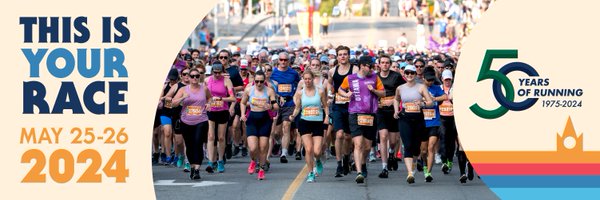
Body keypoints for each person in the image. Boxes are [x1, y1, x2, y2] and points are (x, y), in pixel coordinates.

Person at [338, 56, 385, 184]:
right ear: (362, 65)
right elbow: (340, 89)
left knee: (367, 146)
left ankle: (363, 163)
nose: (372, 68)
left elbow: (383, 93)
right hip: (355, 113)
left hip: (370, 115)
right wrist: (346, 94)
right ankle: (359, 172)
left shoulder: (375, 77)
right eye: (370, 66)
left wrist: (374, 90)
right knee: (358, 144)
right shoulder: (350, 78)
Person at [393, 64, 434, 184]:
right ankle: (410, 173)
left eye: (412, 73)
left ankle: (414, 164)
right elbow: (396, 99)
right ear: (404, 74)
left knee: (416, 148)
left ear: (415, 74)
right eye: (407, 73)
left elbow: (430, 102)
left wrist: (422, 104)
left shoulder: (421, 87)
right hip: (405, 118)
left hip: (418, 119)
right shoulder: (400, 88)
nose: (409, 75)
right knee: (408, 145)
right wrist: (396, 110)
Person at [171, 68, 211, 180]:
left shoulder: (204, 89)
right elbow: (173, 103)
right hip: (186, 121)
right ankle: (192, 167)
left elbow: (210, 98)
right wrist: (183, 98)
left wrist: (209, 104)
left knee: (198, 143)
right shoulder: (183, 89)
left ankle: (197, 169)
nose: (194, 78)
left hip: (201, 120)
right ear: (188, 77)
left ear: (200, 77)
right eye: (192, 76)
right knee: (189, 145)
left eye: (197, 76)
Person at [290, 71, 329, 182]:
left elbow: (325, 106)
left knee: (317, 151)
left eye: (309, 79)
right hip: (305, 122)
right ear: (303, 80)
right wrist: (293, 115)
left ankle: (317, 160)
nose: (307, 81)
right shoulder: (300, 93)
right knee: (308, 149)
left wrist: (327, 116)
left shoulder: (320, 91)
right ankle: (310, 173)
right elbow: (298, 107)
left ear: (313, 79)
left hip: (317, 122)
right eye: (305, 79)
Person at [240, 71, 279, 180]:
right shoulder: (249, 90)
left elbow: (276, 106)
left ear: (264, 81)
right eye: (256, 81)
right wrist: (243, 114)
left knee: (262, 147)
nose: (259, 84)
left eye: (261, 81)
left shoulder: (269, 91)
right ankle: (253, 160)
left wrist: (270, 107)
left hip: (265, 120)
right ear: (254, 81)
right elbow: (242, 102)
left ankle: (261, 169)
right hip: (252, 119)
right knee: (253, 148)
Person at [328, 45, 359, 177]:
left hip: (351, 106)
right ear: (337, 56)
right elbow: (330, 83)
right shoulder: (332, 71)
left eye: (345, 54)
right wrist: (331, 93)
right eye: (340, 54)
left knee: (348, 136)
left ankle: (347, 158)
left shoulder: (354, 69)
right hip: (338, 106)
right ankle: (339, 163)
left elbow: (358, 83)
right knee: (339, 134)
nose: (342, 56)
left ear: (348, 55)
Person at [376, 55, 406, 178]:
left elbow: (404, 90)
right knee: (383, 136)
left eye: (387, 62)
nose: (385, 65)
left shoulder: (396, 76)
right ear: (379, 64)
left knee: (393, 141)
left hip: (393, 111)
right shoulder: (375, 77)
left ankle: (391, 153)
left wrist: (393, 100)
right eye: (382, 62)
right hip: (380, 111)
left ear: (390, 64)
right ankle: (384, 167)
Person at [270, 52, 301, 163]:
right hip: (276, 105)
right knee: (276, 132)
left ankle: (283, 153)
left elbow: (299, 86)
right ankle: (278, 143)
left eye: (285, 60)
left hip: (289, 104)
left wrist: (296, 97)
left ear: (289, 61)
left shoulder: (293, 73)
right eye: (281, 60)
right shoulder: (273, 73)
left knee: (286, 126)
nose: (283, 62)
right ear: (278, 60)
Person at [205, 64, 237, 173]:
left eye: (219, 72)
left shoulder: (226, 81)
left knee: (221, 137)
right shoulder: (207, 80)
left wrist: (221, 98)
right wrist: (206, 103)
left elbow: (233, 98)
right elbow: (202, 95)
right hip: (210, 111)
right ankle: (210, 161)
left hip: (222, 111)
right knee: (210, 136)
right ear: (212, 71)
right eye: (215, 72)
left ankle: (220, 161)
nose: (217, 75)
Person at [420, 67, 447, 182]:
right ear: (423, 78)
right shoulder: (418, 88)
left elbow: (445, 96)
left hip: (434, 122)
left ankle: (428, 173)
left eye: (432, 80)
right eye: (428, 80)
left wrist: (434, 99)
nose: (430, 82)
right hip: (421, 122)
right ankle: (425, 165)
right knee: (423, 150)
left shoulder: (436, 88)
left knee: (431, 147)